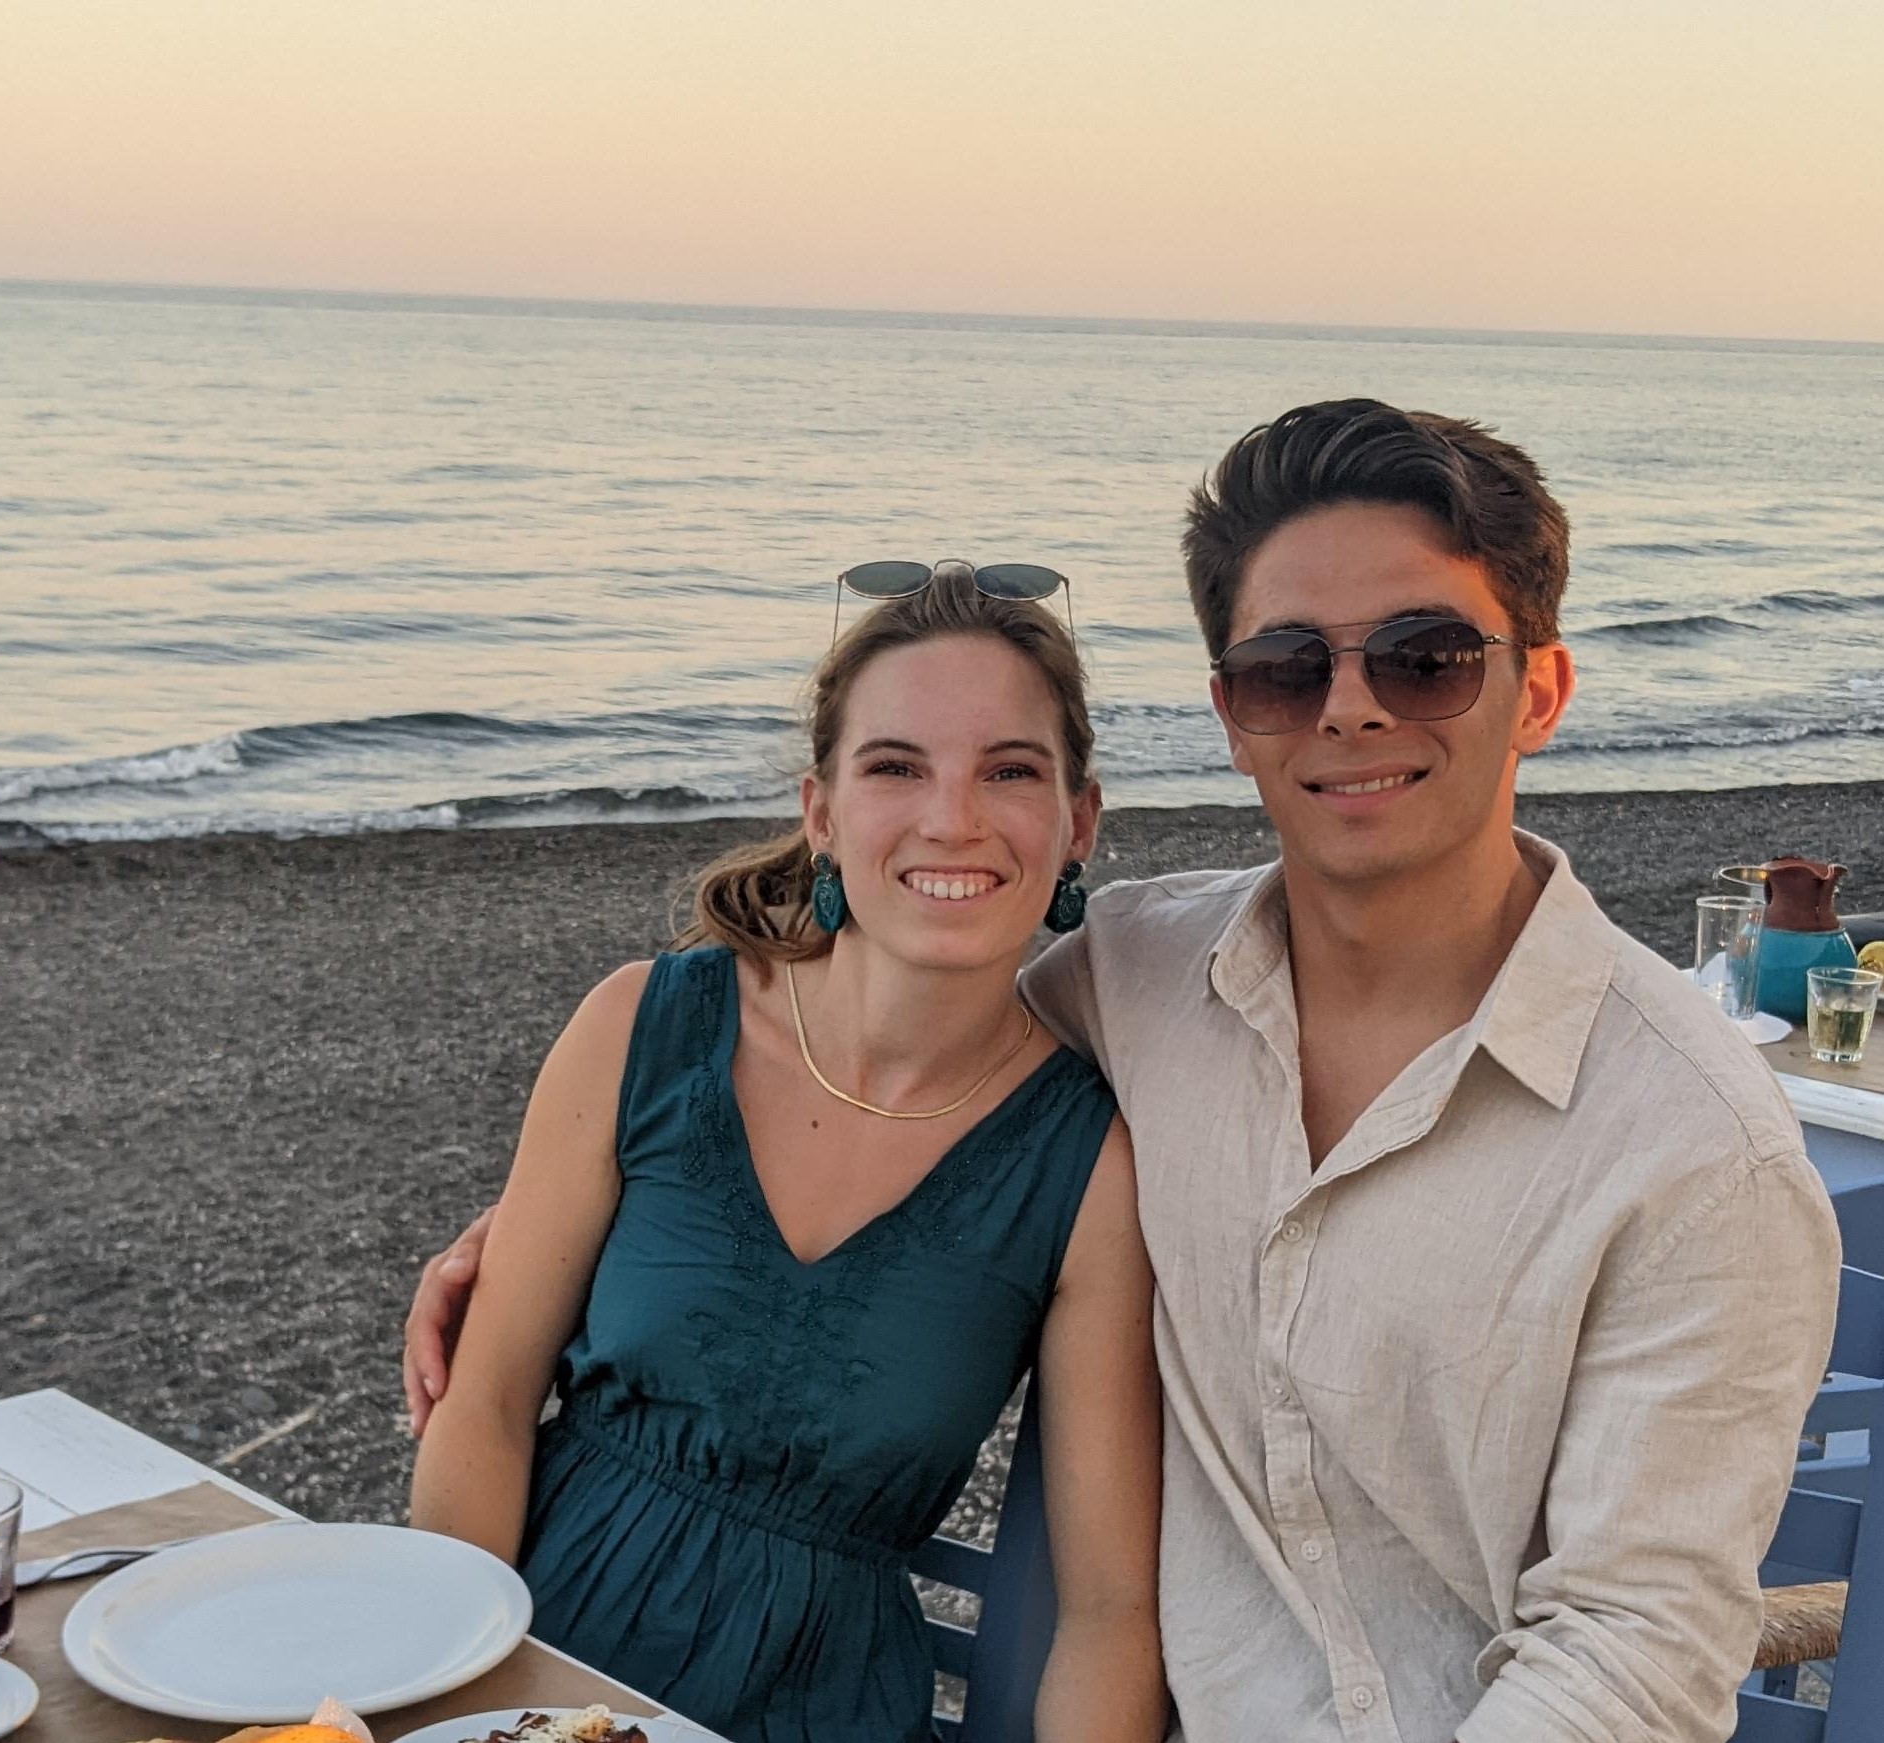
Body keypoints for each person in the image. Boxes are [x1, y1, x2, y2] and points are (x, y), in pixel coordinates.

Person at [412, 401, 1842, 1742]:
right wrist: (552, 1225)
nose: (1346, 708)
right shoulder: (1146, 979)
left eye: (1422, 654)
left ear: (1538, 688)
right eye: (1289, 667)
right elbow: (898, 1027)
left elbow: (1633, 1653)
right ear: (1233, 713)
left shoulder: (1700, 1155)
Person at [407, 565, 1166, 1743]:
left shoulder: (1085, 1169)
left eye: (1008, 770)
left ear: (1076, 822)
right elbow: (489, 1406)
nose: (951, 817)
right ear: (821, 812)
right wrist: (439, 1698)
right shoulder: (639, 1029)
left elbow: (1110, 1607)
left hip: (822, 1711)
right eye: (894, 766)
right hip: (527, 1665)